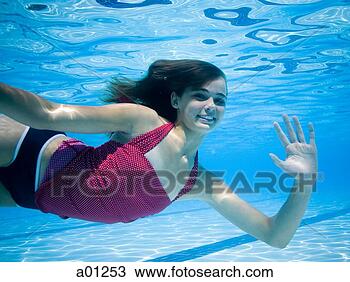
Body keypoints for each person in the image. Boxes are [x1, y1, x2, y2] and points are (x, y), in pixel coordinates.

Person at [0, 59, 317, 248]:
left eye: (220, 100)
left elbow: (275, 236)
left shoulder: (201, 183)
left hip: (27, 197)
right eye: (201, 96)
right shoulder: (143, 123)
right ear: (177, 100)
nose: (211, 106)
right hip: (27, 149)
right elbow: (49, 114)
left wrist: (305, 183)